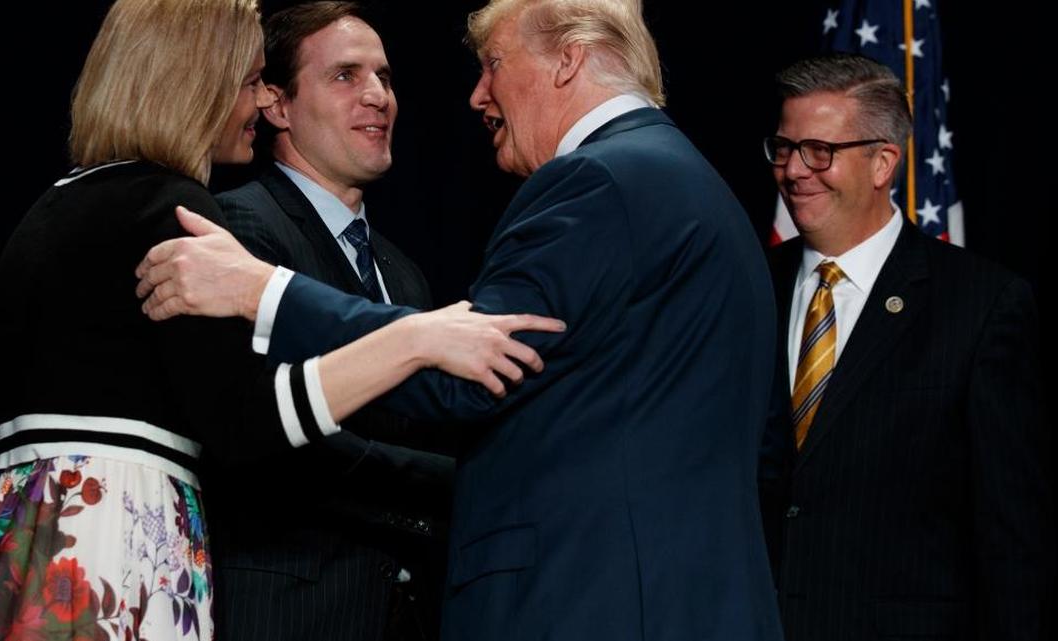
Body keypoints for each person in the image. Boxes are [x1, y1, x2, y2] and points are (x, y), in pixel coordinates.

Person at [136, 1, 784, 639]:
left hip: (600, 598)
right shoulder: (693, 183)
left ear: (568, 60)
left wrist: (266, 292)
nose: (477, 95)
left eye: (494, 64)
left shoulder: (596, 183)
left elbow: (469, 371)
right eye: (345, 76)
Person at [0, 1, 561, 640]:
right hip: (107, 550)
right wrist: (413, 339)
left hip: (20, 535)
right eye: (247, 81)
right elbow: (245, 422)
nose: (255, 105)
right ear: (196, 81)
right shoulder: (175, 210)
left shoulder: (55, 205)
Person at [758, 53, 1053, 641]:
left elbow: (1011, 537)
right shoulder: (746, 286)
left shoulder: (982, 305)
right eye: (784, 148)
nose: (794, 170)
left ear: (883, 163)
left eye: (820, 151)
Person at [210, 3, 453, 639]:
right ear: (276, 104)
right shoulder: (240, 234)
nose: (379, 96)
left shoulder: (403, 275)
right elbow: (264, 440)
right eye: (346, 75)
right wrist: (462, 487)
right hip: (287, 613)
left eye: (385, 76)